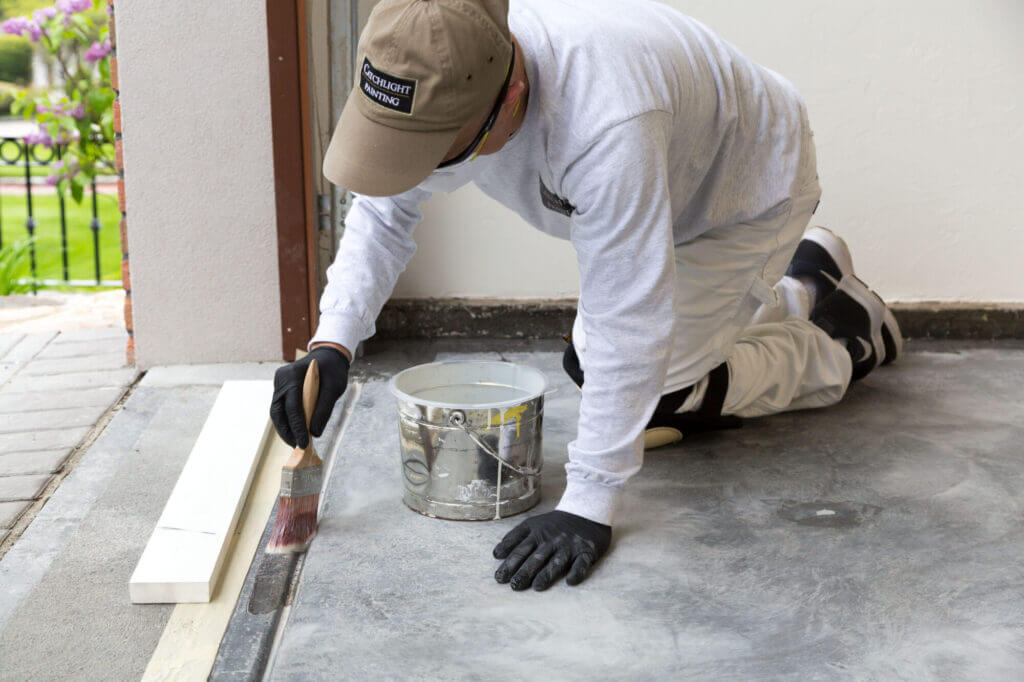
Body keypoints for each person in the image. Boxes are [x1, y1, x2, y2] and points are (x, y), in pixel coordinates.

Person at [270, 0, 902, 592]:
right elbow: (383, 213)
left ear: (511, 95)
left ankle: (842, 340)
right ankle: (806, 279)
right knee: (601, 368)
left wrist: (588, 502)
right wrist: (334, 340)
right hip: (674, 167)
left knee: (652, 390)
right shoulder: (449, 60)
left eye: (434, 154)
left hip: (744, 193)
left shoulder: (604, 120)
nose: (417, 169)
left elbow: (631, 319)